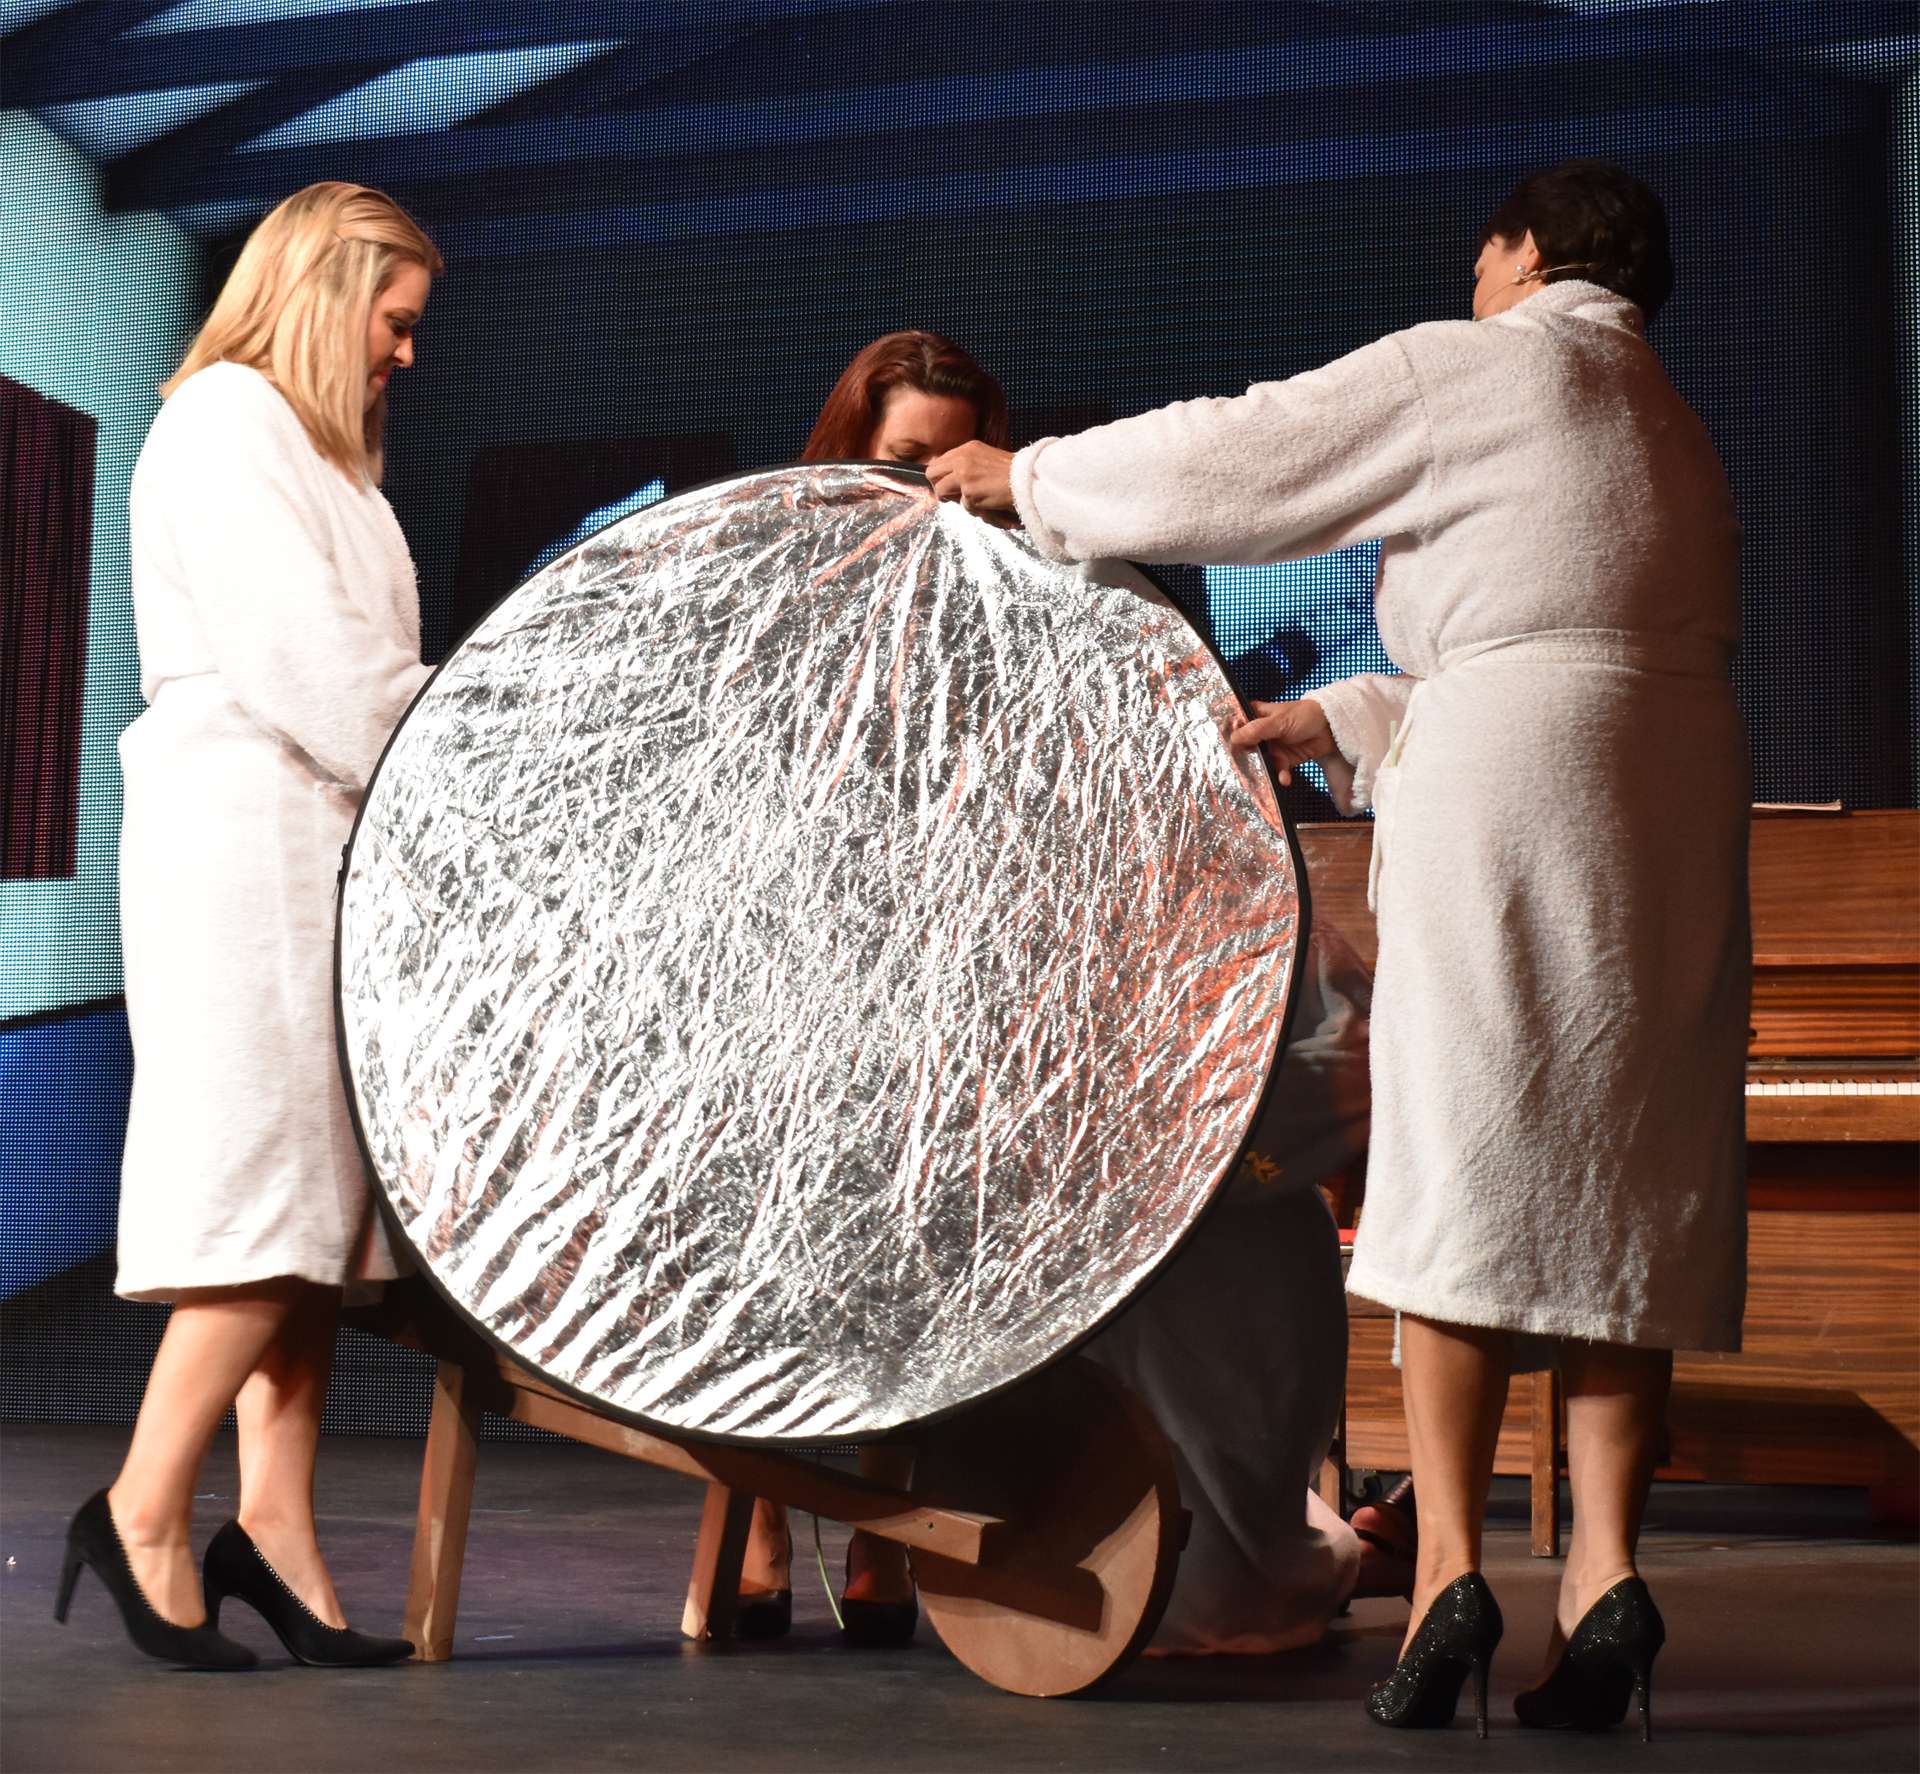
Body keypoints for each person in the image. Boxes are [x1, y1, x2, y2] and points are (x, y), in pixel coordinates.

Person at [927, 160, 1746, 1736]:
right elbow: (1558, 629)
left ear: (1523, 252)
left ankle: (1446, 1574)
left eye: (1483, 260)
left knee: (1459, 1166)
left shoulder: (1484, 364)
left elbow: (1256, 449)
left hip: (1517, 801)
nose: (1474, 284)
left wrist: (1033, 477)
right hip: (1674, 793)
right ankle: (1605, 1575)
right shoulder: (1670, 422)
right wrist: (1350, 712)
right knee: (1623, 1182)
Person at [56, 183, 443, 1670]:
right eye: (394, 320)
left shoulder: (328, 461)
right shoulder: (225, 420)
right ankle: (143, 1505)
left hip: (318, 841)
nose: (405, 353)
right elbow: (313, 667)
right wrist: (474, 752)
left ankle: (274, 1524)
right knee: (266, 1189)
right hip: (246, 846)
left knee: (320, 1209)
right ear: (326, 292)